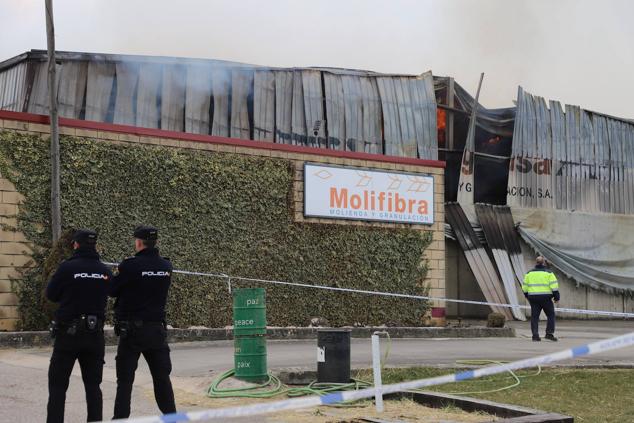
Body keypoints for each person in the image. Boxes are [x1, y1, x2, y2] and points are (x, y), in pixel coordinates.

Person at [109, 225, 176, 419]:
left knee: (125, 380)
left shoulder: (130, 265)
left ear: (138, 242)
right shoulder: (166, 266)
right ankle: (172, 418)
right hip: (156, 331)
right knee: (162, 378)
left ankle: (120, 418)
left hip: (132, 332)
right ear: (155, 242)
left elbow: (112, 290)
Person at [46, 229, 112, 423]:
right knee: (93, 387)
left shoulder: (67, 268)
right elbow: (113, 291)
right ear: (94, 246)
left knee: (58, 387)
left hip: (68, 334)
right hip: (95, 335)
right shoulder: (104, 270)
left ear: (76, 245)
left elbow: (51, 294)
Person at [522, 256, 560, 342]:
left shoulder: (529, 273)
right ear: (544, 263)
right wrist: (556, 297)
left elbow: (524, 287)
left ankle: (535, 335)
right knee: (550, 315)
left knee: (534, 317)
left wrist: (528, 296)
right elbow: (554, 287)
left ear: (536, 263)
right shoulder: (549, 273)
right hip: (546, 298)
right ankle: (549, 334)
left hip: (534, 298)